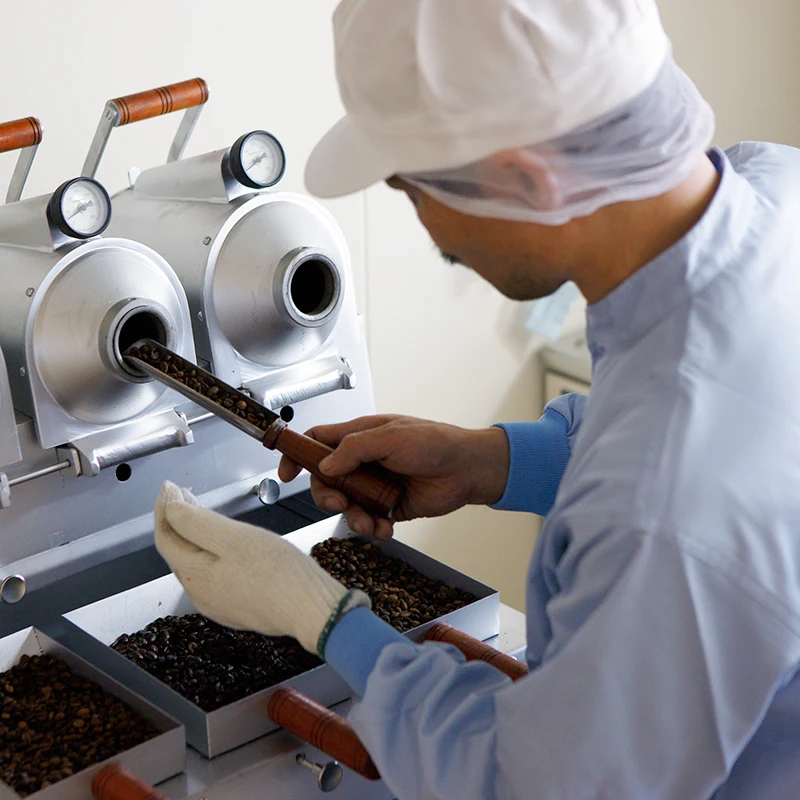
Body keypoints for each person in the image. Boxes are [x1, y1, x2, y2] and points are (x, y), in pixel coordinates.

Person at [153, 0, 800, 797]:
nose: (433, 233)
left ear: (527, 182)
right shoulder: (774, 188)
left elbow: (529, 786)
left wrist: (324, 616)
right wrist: (492, 461)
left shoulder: (660, 503)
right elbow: (723, 439)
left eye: (413, 192)